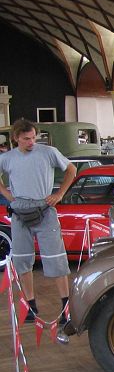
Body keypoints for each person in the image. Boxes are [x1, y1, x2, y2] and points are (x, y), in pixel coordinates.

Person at [0, 118, 77, 335]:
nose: (31, 142)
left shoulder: (48, 152)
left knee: (56, 259)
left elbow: (71, 169)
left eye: (33, 137)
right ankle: (30, 307)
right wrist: (6, 194)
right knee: (23, 260)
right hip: (20, 212)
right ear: (16, 138)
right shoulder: (7, 158)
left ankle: (66, 308)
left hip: (45, 209)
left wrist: (59, 194)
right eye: (26, 139)